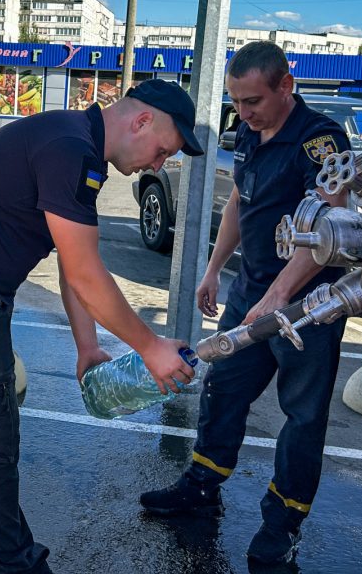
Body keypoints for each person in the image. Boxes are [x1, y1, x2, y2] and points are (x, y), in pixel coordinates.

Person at [0, 78, 204, 574]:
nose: (157, 166)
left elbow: (75, 260)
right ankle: (16, 562)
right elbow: (84, 273)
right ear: (141, 121)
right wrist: (150, 346)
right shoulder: (71, 149)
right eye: (162, 151)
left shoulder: (75, 142)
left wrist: (87, 345)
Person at [139, 41, 350, 565]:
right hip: (251, 293)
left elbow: (332, 225)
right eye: (237, 102)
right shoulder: (251, 133)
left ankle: (282, 525)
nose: (244, 113)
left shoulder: (320, 142)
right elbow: (240, 198)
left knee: (302, 417)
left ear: (286, 86)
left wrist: (279, 296)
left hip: (307, 306)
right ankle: (200, 489)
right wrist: (214, 269)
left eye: (253, 100)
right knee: (225, 390)